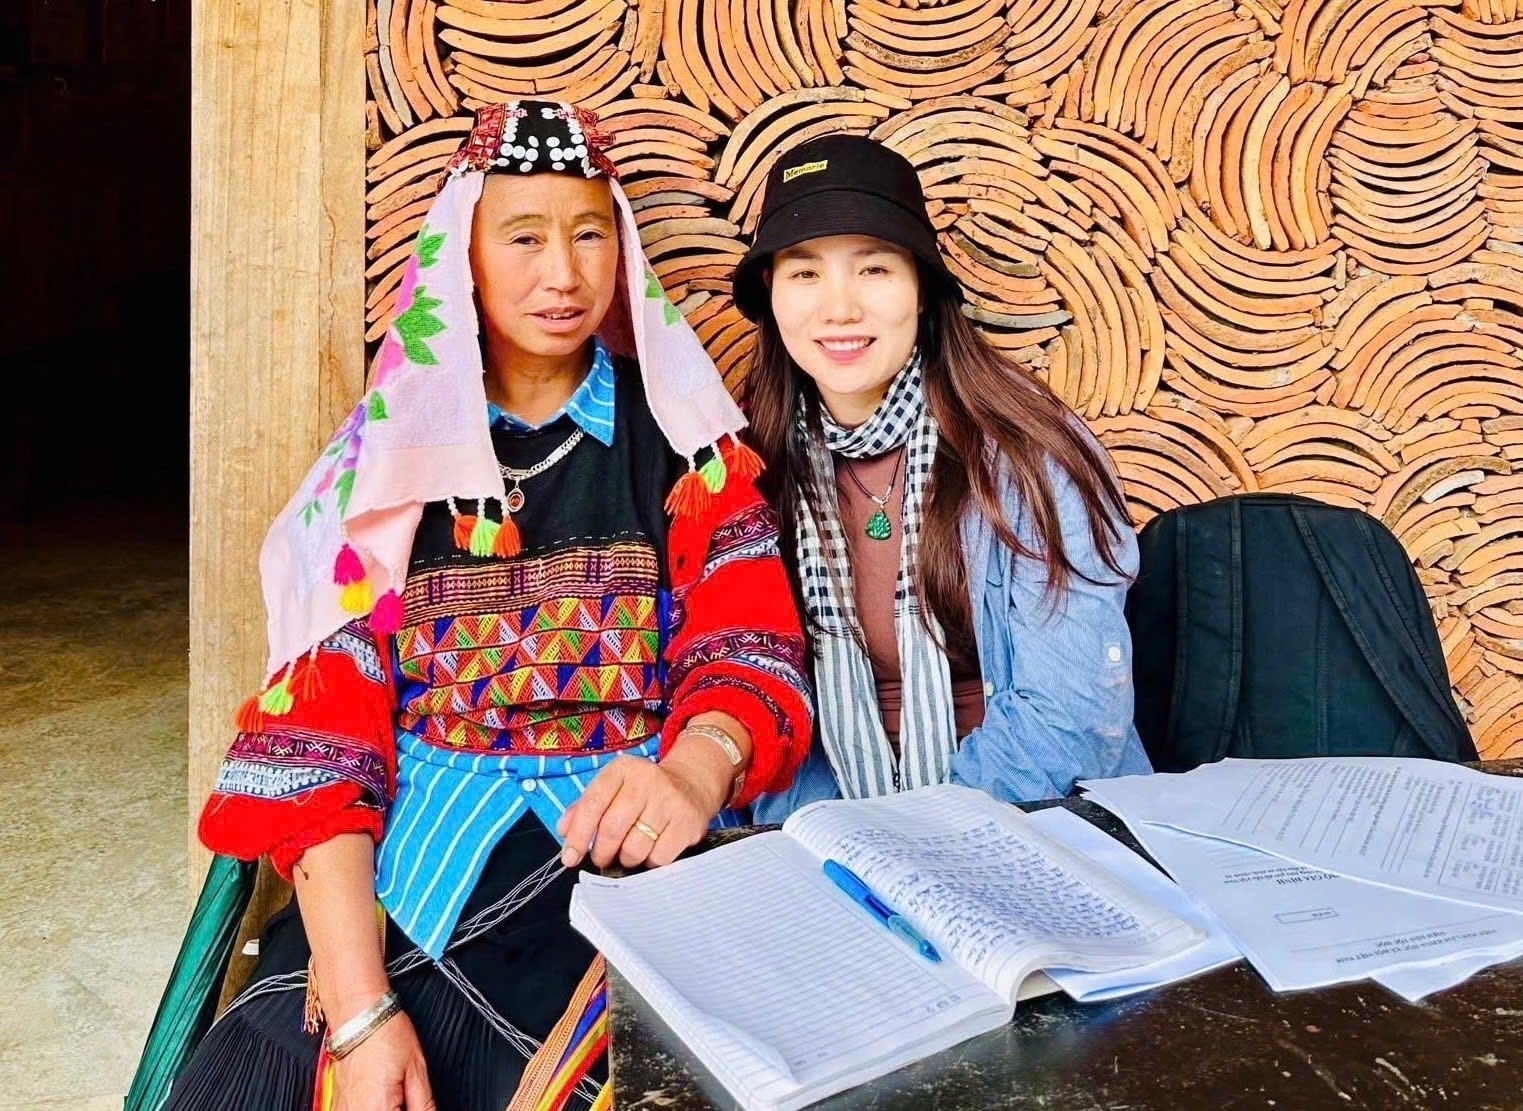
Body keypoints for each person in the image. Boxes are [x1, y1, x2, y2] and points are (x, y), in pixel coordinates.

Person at [168, 100, 812, 1111]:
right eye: (522, 237)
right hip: (410, 867)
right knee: (274, 1074)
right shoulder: (383, 468)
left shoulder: (684, 448)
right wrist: (361, 1008)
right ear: (461, 256)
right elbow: (322, 743)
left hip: (623, 855)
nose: (562, 273)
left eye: (588, 234)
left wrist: (694, 769)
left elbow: (748, 646)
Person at [733, 134, 1149, 821]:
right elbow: (751, 692)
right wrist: (832, 839)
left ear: (921, 288)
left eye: (873, 269)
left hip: (1028, 812)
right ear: (771, 297)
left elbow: (1070, 713)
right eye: (804, 274)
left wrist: (919, 837)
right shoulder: (751, 465)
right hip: (828, 821)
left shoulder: (1026, 452)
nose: (839, 309)